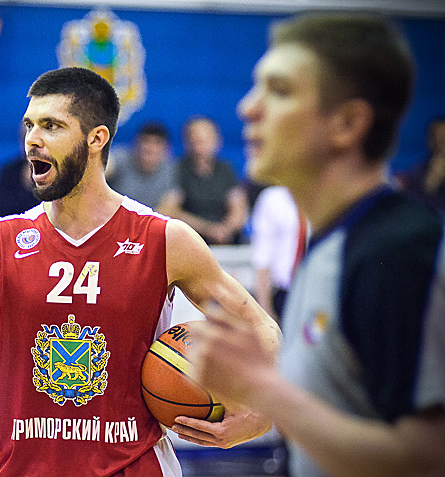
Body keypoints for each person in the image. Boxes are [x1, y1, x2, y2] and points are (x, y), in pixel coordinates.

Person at [0, 66, 281, 476]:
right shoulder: (1, 239)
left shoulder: (164, 238)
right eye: (29, 125)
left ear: (96, 138)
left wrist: (262, 415)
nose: (33, 138)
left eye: (51, 126)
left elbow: (263, 331)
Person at [188, 13, 445, 477]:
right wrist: (267, 410)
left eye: (279, 90)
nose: (248, 107)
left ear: (347, 123)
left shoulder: (401, 251)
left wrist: (264, 390)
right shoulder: (330, 243)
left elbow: (427, 456)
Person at [159, 116, 249, 245]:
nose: (200, 144)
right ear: (186, 142)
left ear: (218, 141)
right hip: (188, 240)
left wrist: (225, 229)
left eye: (206, 139)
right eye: (195, 139)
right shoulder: (176, 170)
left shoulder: (226, 169)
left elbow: (238, 207)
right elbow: (168, 210)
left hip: (226, 240)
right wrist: (208, 229)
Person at [250, 185, 307, 321]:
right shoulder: (273, 199)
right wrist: (265, 312)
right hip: (284, 293)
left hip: (318, 288)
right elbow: (262, 258)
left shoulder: (326, 198)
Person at [107, 121, 177, 209]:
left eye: (157, 143)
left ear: (167, 150)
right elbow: (103, 168)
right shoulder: (122, 158)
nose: (150, 148)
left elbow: (169, 207)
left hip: (150, 216)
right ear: (136, 144)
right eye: (146, 141)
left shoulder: (172, 171)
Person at [396, 117, 445, 215]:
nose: (440, 144)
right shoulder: (417, 171)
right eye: (437, 138)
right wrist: (433, 179)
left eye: (443, 139)